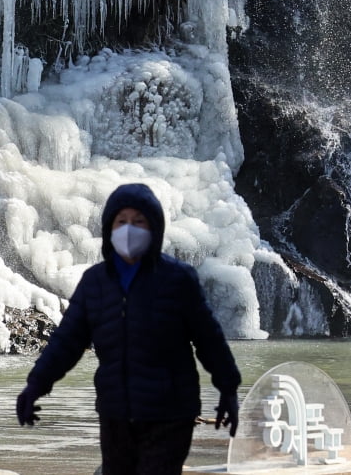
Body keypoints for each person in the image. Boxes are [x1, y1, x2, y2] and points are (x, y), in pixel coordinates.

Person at [15, 182, 242, 475]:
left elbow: (209, 339)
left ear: (154, 228)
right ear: (110, 228)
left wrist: (228, 390)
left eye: (139, 222)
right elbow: (66, 341)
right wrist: (35, 385)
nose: (129, 229)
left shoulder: (177, 279)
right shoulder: (95, 283)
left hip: (170, 413)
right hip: (115, 414)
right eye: (122, 221)